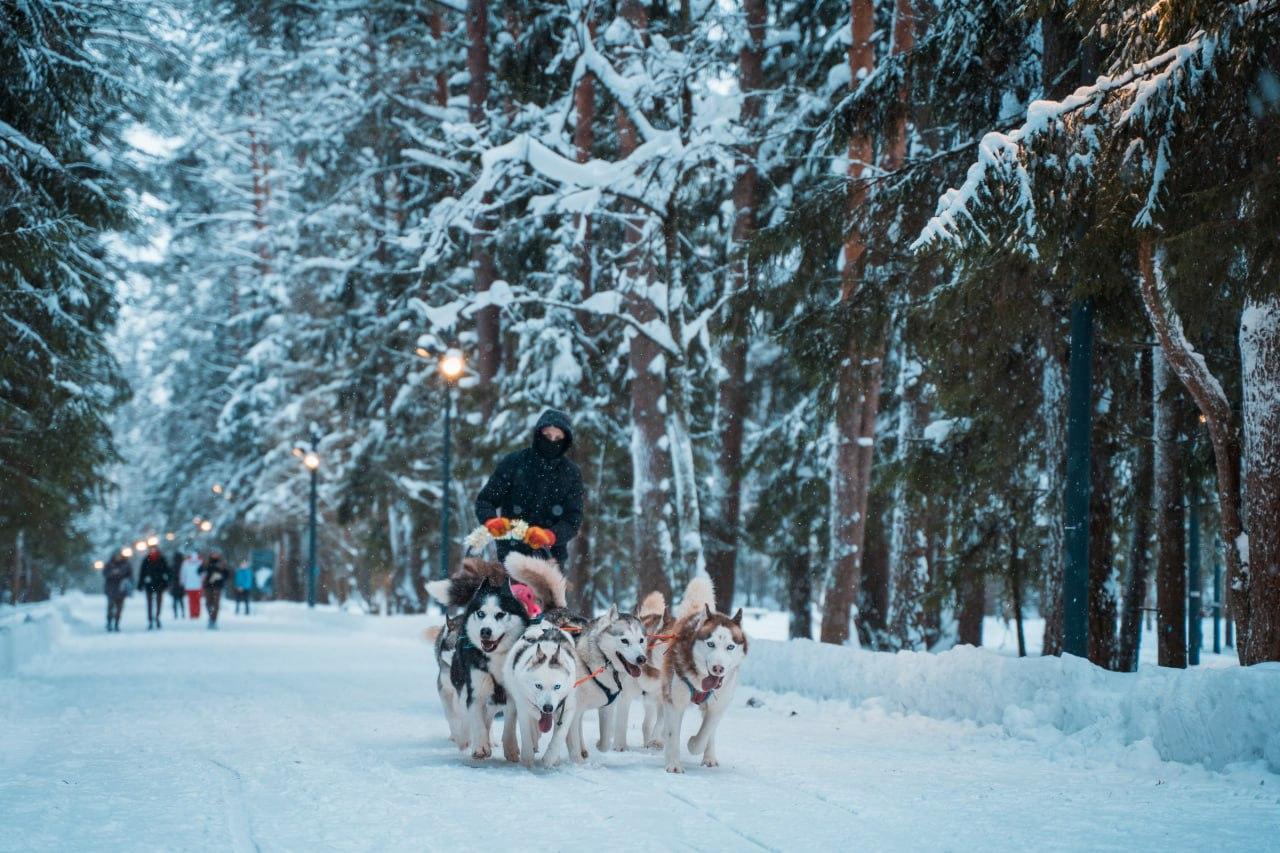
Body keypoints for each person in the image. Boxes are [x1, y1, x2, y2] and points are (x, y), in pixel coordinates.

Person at [475, 408, 583, 566]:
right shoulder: (514, 463)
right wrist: (491, 520)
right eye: (548, 436)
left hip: (551, 561)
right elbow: (486, 500)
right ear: (539, 434)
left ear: (565, 442)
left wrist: (550, 535)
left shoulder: (571, 473)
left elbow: (572, 520)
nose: (552, 441)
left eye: (558, 438)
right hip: (511, 557)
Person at [137, 546, 171, 630]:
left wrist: (167, 581)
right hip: (149, 584)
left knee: (159, 602)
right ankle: (150, 619)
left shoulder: (162, 559)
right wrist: (140, 584)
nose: (153, 551)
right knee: (149, 603)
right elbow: (142, 572)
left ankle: (157, 617)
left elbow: (167, 571)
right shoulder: (146, 560)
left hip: (159, 584)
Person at [201, 550, 231, 629]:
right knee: (208, 603)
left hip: (217, 586)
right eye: (213, 553)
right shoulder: (206, 563)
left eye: (216, 553)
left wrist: (220, 574)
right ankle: (211, 617)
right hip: (207, 586)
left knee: (216, 604)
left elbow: (227, 575)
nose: (215, 555)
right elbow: (199, 571)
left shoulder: (222, 563)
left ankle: (213, 620)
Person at [102, 554, 132, 632]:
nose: (118, 557)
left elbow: (130, 576)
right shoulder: (109, 564)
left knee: (119, 608)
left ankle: (116, 623)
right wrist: (112, 573)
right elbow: (105, 574)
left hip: (121, 590)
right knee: (110, 607)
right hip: (111, 589)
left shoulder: (126, 564)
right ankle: (109, 622)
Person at [181, 552, 204, 619]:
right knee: (196, 600)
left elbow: (183, 574)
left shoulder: (186, 563)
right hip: (196, 585)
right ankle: (195, 614)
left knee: (192, 601)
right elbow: (183, 574)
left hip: (192, 585)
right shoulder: (199, 562)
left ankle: (194, 614)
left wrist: (183, 582)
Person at [169, 549, 186, 619]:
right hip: (180, 585)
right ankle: (182, 613)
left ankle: (176, 613)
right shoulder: (183, 565)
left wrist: (170, 584)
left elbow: (170, 576)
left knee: (175, 600)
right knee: (181, 600)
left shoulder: (173, 565)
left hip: (175, 585)